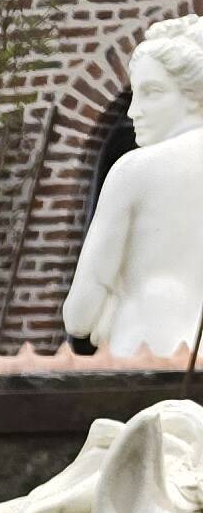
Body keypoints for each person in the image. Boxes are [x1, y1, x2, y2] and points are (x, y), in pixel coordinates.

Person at [64, 18, 203, 359]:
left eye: (151, 93)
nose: (133, 111)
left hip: (148, 348)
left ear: (195, 94)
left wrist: (110, 303)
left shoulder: (135, 170)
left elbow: (79, 316)